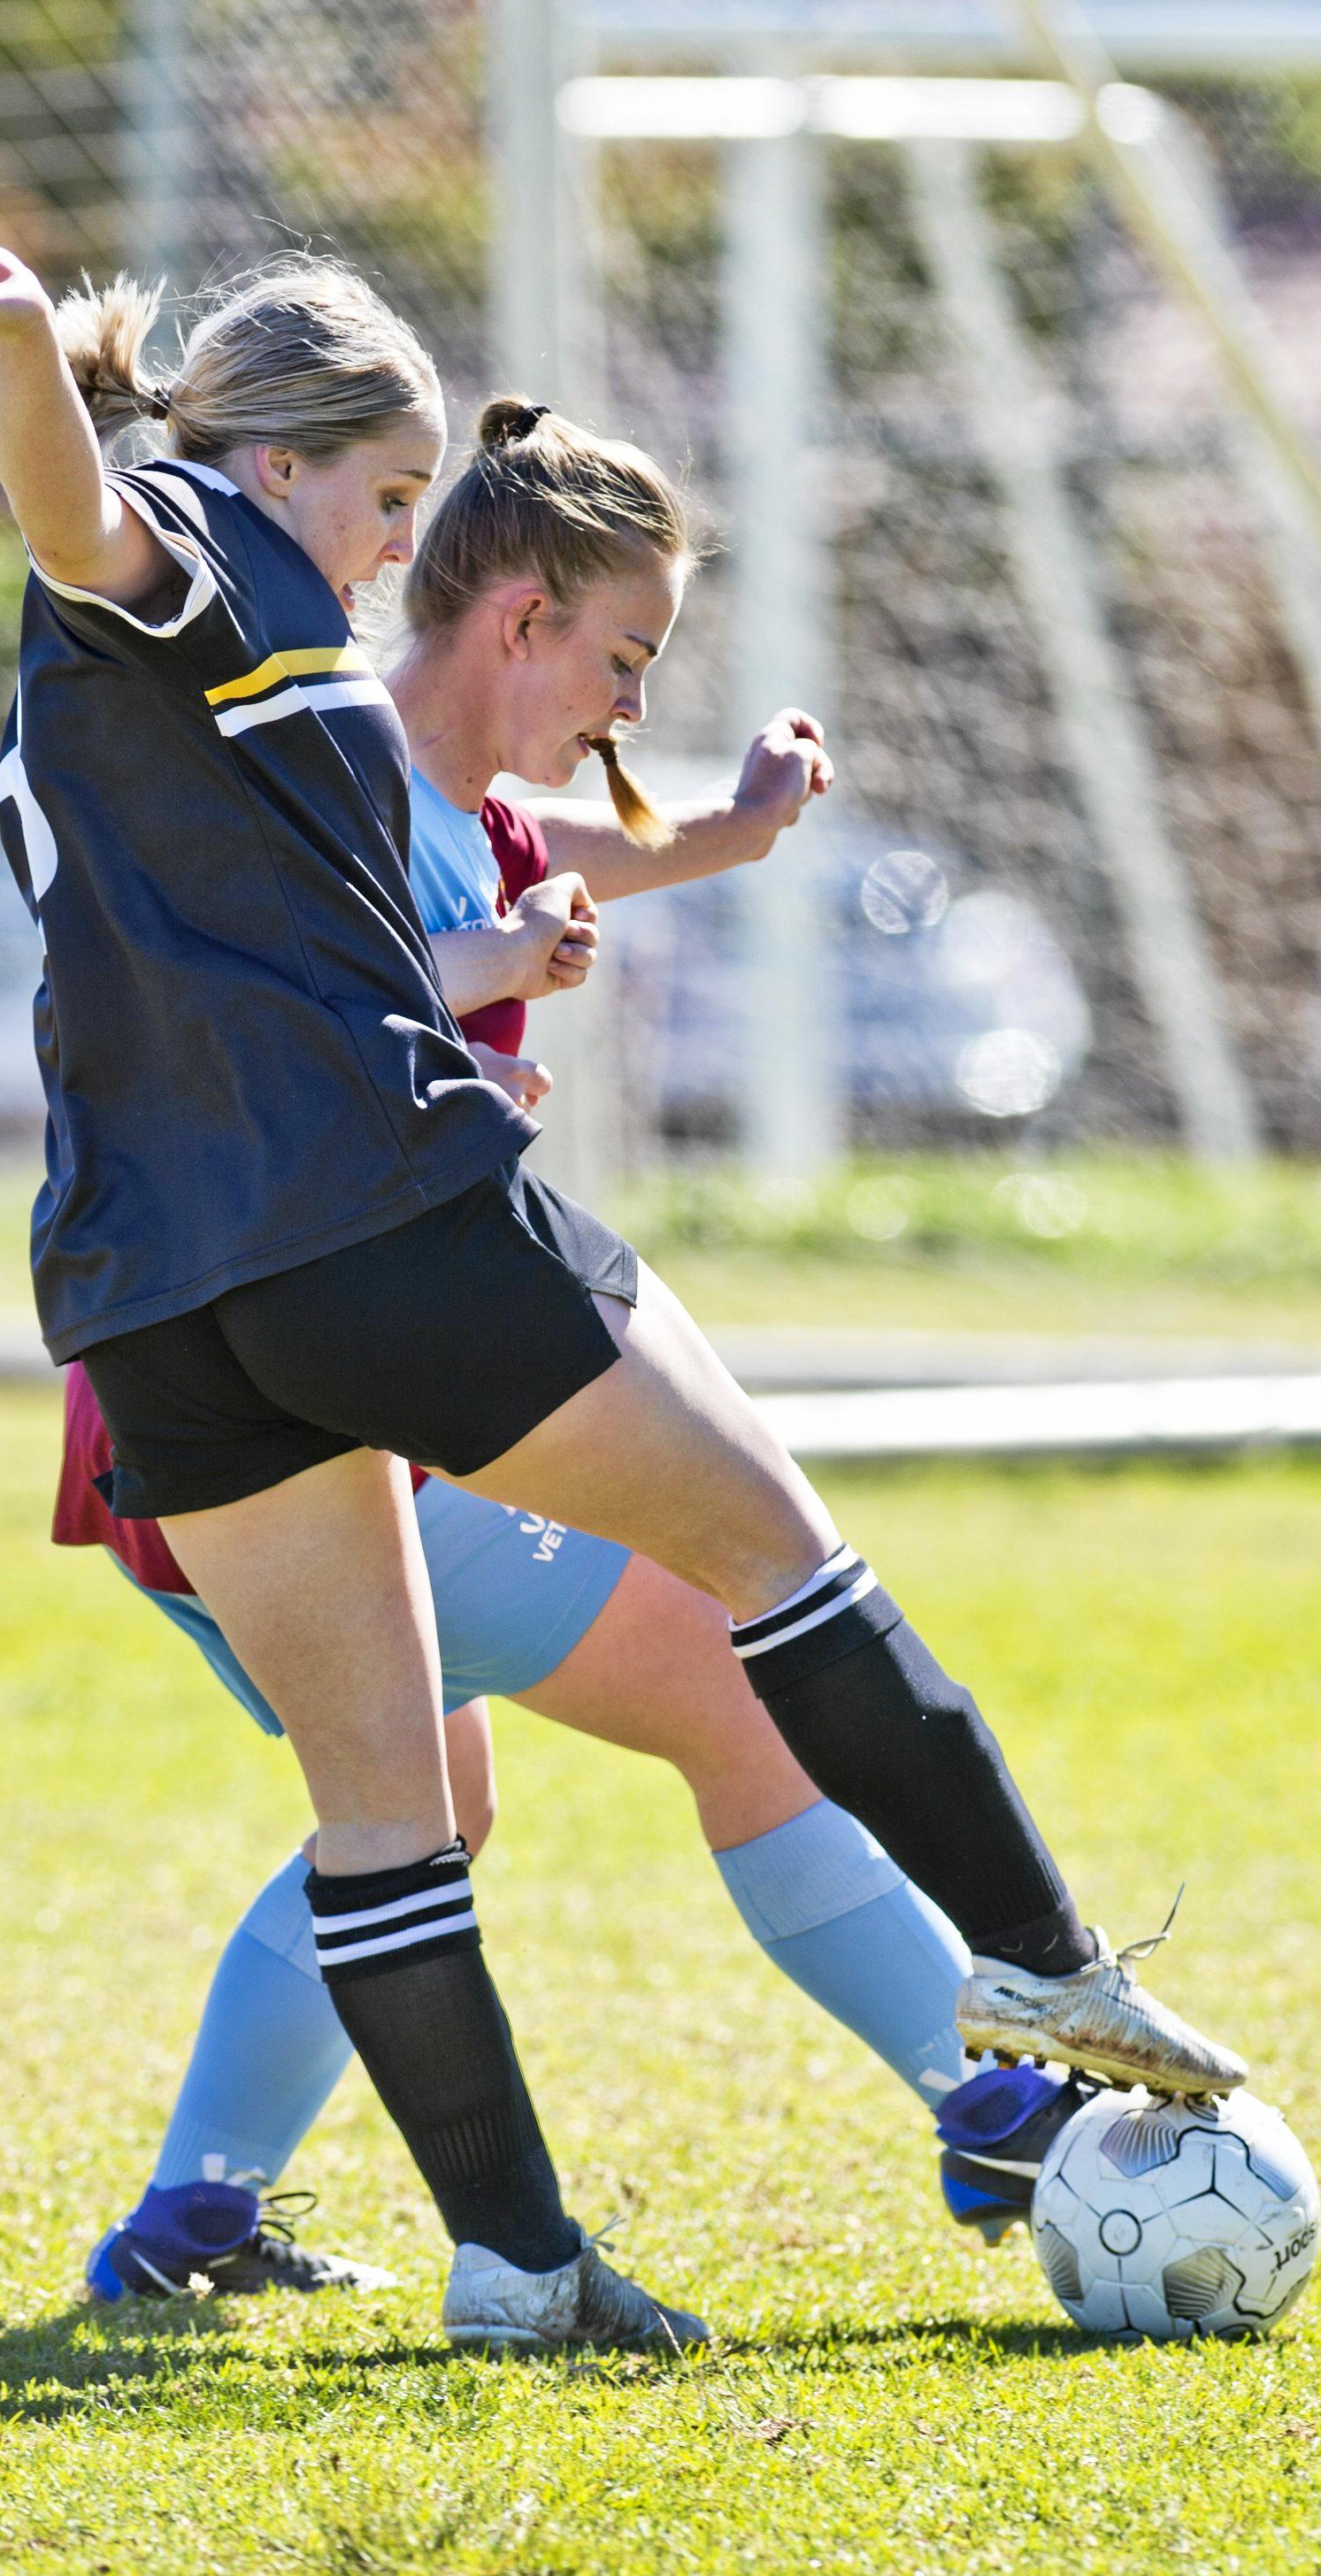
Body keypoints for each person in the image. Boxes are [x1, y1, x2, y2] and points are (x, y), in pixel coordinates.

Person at [0, 223, 1245, 2357]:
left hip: (146, 1292)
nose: (391, 551)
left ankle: (516, 2262)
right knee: (768, 1565)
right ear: (285, 461)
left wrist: (688, 848)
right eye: (388, 501)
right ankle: (1041, 1969)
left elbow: (465, 839)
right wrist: (30, 340)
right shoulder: (207, 551)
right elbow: (75, 511)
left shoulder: (182, 687)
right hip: (375, 1208)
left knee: (393, 1817)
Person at [65, 731, 982, 2299]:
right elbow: (258, 996)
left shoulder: (447, 796)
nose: (624, 705)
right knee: (740, 1695)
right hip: (302, 1405)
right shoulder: (332, 778)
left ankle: (191, 2221)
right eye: (617, 654)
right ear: (515, 614)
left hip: (161, 1429)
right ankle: (995, 2104)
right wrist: (454, 1014)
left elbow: (565, 844)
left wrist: (738, 827)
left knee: (415, 1812)